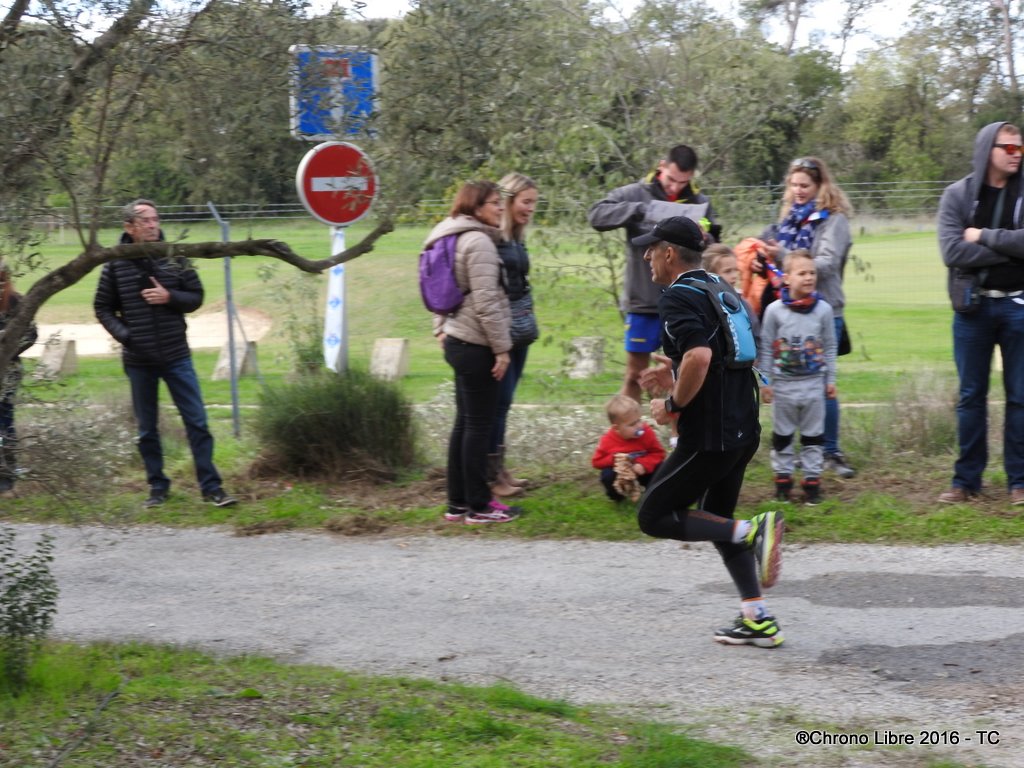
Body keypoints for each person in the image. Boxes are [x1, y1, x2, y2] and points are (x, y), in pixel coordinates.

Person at [631, 216, 785, 648]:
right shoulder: (720, 287)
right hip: (743, 426)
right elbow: (723, 357)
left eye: (651, 248)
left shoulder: (677, 296)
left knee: (654, 515)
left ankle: (754, 532)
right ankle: (756, 616)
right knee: (717, 519)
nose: (646, 256)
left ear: (668, 253)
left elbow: (699, 355)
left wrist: (673, 404)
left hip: (710, 432)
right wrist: (676, 372)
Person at [94, 199, 237, 509]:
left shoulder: (175, 257)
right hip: (139, 360)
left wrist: (168, 296)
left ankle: (212, 488)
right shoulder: (115, 264)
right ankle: (157, 488)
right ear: (129, 227)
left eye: (155, 219)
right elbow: (102, 307)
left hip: (176, 355)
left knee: (197, 422)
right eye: (144, 220)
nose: (152, 225)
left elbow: (196, 297)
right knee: (147, 430)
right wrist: (126, 336)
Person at [937, 121, 1024, 507]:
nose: (1016, 154)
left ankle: (1019, 482)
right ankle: (966, 481)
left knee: (1020, 397)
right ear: (989, 149)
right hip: (972, 309)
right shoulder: (957, 195)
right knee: (971, 396)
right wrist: (1010, 247)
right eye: (1009, 147)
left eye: (1020, 148)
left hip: (1018, 305)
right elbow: (952, 252)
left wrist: (983, 235)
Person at [588, 145, 717, 402]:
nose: (675, 188)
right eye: (671, 180)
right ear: (662, 166)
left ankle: (679, 436)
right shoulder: (635, 192)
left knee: (680, 374)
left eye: (683, 182)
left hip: (685, 300)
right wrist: (637, 210)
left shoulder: (700, 202)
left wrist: (706, 237)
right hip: (644, 301)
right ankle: (623, 437)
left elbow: (715, 245)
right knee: (635, 374)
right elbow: (596, 215)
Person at [756, 156, 855, 479]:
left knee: (821, 381)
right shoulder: (788, 218)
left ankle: (829, 450)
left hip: (825, 308)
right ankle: (797, 452)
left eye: (805, 185)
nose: (798, 190)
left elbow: (825, 263)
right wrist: (763, 262)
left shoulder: (833, 220)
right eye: (794, 184)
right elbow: (779, 266)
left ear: (820, 186)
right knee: (792, 380)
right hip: (788, 310)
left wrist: (783, 257)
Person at [427, 181, 520, 524]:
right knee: (478, 427)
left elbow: (440, 285)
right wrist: (503, 350)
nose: (500, 209)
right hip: (476, 343)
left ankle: (457, 504)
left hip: (457, 339)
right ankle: (480, 506)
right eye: (495, 203)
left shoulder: (447, 234)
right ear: (476, 206)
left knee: (465, 424)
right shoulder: (478, 241)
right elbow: (487, 304)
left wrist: (439, 328)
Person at [758, 250, 837, 505]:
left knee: (814, 436)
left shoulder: (823, 310)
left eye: (812, 272)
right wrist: (766, 382)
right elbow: (766, 347)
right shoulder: (774, 311)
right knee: (782, 435)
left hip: (813, 385)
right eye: (802, 273)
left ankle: (812, 482)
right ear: (786, 278)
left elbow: (830, 346)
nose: (809, 277)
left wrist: (830, 380)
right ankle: (783, 481)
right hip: (784, 387)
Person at [487, 172, 540, 498]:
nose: (531, 208)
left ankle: (500, 468)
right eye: (526, 202)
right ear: (508, 201)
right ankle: (489, 474)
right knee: (498, 401)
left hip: (520, 327)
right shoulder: (491, 236)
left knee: (505, 403)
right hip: (500, 329)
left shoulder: (518, 237)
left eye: (534, 202)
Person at [0, 265, 38, 498]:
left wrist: (7, 348)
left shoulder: (15, 301)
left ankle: (8, 477)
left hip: (8, 370)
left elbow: (31, 334)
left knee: (4, 423)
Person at [591, 394, 666, 502]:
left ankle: (653, 492)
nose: (639, 426)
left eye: (639, 420)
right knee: (607, 474)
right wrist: (613, 460)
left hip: (642, 471)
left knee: (661, 467)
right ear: (617, 428)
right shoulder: (608, 440)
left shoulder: (646, 432)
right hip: (622, 475)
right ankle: (617, 495)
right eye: (632, 424)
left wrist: (643, 464)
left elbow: (659, 453)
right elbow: (596, 462)